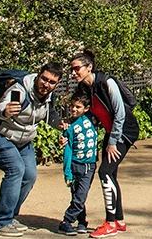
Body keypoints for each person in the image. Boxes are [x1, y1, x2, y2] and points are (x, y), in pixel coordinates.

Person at [0, 63, 63, 236]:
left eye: (52, 82)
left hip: (22, 140)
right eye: (44, 79)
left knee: (30, 176)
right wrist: (6, 111)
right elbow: (2, 107)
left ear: (57, 84)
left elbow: (49, 114)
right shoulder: (20, 89)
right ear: (38, 74)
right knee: (16, 170)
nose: (46, 84)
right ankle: (2, 221)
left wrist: (61, 124)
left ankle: (10, 216)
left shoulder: (49, 95)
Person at [69, 49, 139, 238]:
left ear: (89, 67)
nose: (73, 73)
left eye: (77, 69)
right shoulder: (85, 89)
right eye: (72, 70)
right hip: (111, 133)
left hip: (124, 132)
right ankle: (119, 220)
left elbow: (120, 113)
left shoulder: (106, 82)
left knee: (105, 172)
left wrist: (113, 141)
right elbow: (89, 114)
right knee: (111, 175)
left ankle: (110, 223)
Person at [58, 88, 99, 236]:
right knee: (77, 195)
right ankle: (79, 221)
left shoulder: (91, 118)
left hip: (89, 165)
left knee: (81, 195)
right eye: (72, 106)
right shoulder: (69, 127)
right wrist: (67, 172)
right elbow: (67, 151)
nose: (74, 109)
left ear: (86, 108)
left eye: (78, 107)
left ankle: (67, 220)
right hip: (75, 164)